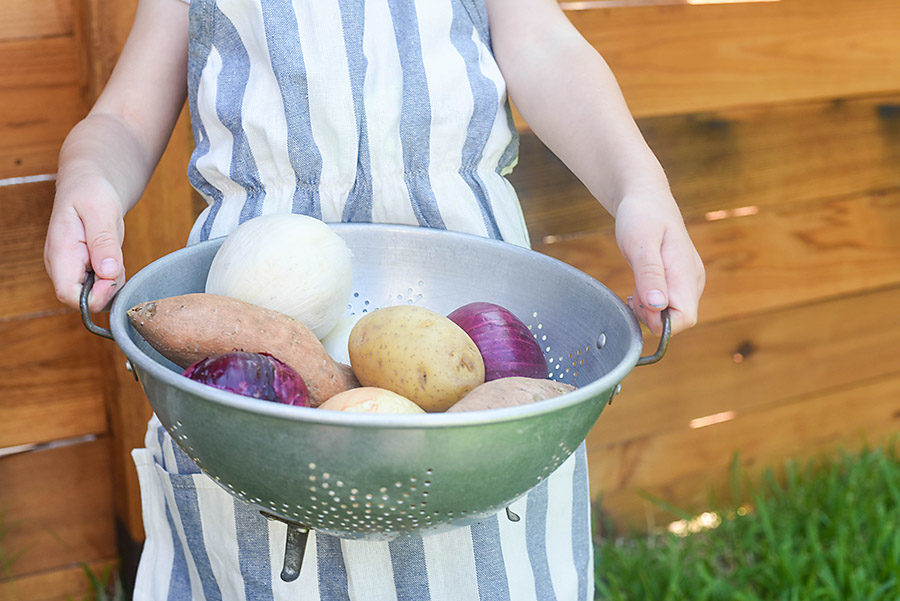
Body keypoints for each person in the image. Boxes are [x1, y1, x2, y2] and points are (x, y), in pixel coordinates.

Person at [44, 0, 705, 599]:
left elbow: (546, 48)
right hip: (251, 365)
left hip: (473, 350)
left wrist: (637, 185)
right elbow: (125, 116)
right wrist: (91, 178)